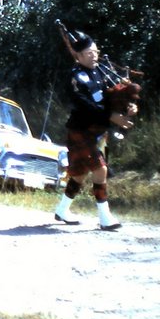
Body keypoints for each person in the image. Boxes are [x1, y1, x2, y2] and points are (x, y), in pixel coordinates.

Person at [52, 30, 135, 231]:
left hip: (98, 131)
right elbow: (85, 105)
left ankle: (62, 210)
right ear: (78, 56)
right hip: (80, 130)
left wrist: (128, 107)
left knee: (79, 174)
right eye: (89, 53)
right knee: (100, 169)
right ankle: (105, 217)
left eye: (95, 51)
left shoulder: (102, 71)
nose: (94, 55)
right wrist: (111, 117)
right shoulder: (75, 78)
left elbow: (113, 96)